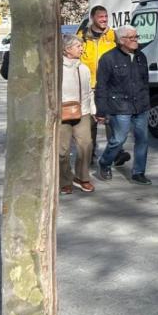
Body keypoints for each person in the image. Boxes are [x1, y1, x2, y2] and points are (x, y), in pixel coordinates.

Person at [95, 25, 152, 185]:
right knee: (118, 139)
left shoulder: (141, 57)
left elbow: (145, 82)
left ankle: (139, 172)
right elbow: (102, 86)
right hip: (119, 106)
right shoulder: (108, 58)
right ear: (121, 40)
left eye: (136, 37)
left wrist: (147, 101)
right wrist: (101, 110)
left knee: (142, 139)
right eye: (132, 37)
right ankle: (105, 162)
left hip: (140, 106)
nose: (136, 40)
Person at [78, 5, 127, 167]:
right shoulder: (82, 36)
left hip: (109, 86)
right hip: (88, 86)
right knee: (89, 123)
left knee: (111, 121)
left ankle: (116, 153)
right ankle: (89, 155)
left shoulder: (114, 35)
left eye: (106, 16)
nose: (104, 20)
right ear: (93, 18)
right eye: (101, 17)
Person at [58, 35, 95, 195]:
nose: (81, 49)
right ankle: (65, 180)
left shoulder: (84, 68)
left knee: (86, 145)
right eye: (78, 46)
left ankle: (82, 177)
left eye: (81, 46)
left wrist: (93, 110)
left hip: (83, 112)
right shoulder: (57, 69)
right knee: (62, 150)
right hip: (61, 113)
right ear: (67, 49)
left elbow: (89, 91)